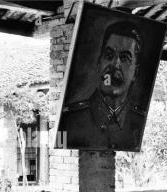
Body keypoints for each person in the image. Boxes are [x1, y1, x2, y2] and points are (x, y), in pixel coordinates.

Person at [61, 21, 146, 150]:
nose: (115, 65)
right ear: (98, 64)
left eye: (124, 58)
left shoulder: (139, 122)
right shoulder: (68, 121)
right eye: (109, 55)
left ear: (135, 73)